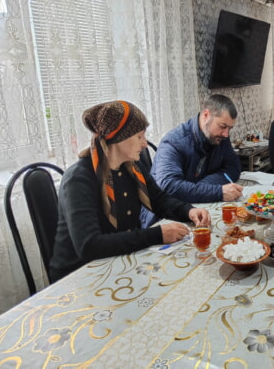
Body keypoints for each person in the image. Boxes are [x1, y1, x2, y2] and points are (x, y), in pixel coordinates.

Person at [49, 100, 211, 282]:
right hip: (79, 277)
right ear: (119, 139)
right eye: (139, 136)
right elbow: (89, 245)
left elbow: (160, 200)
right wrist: (157, 235)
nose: (144, 144)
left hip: (118, 262)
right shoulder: (79, 179)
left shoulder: (132, 167)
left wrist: (189, 211)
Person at [147, 94, 242, 209]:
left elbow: (233, 167)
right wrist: (217, 192)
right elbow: (169, 186)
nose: (226, 134)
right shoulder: (173, 142)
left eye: (229, 128)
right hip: (167, 212)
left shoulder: (220, 137)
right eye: (222, 126)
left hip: (198, 206)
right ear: (206, 115)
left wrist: (205, 185)